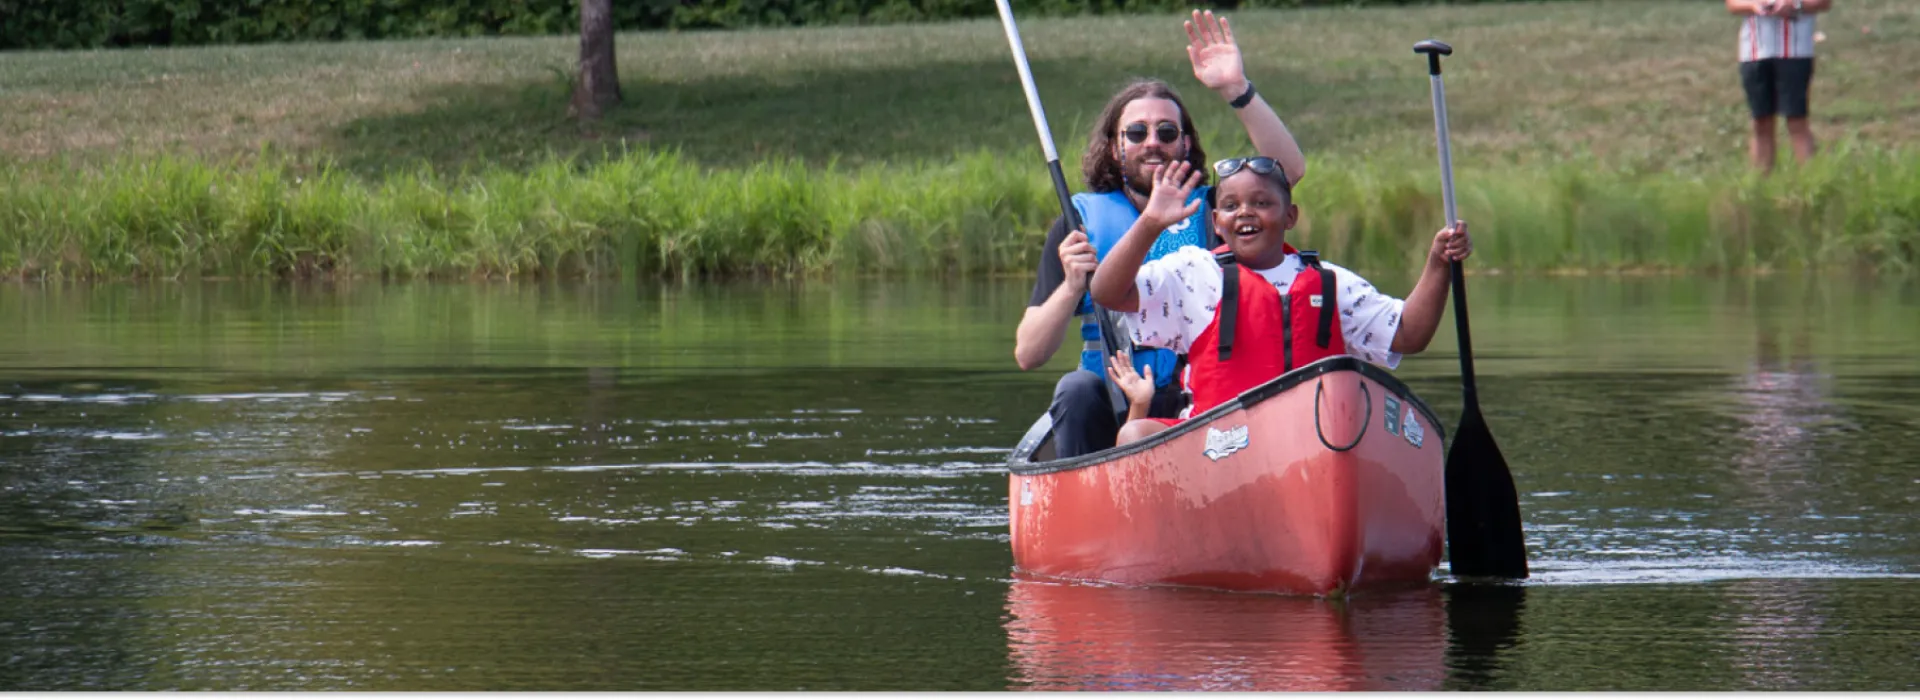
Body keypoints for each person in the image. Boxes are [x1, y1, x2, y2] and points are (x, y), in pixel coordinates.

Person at [1014, 9, 1308, 459]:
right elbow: (1029, 353)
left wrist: (1236, 89)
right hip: (1113, 403)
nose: (1153, 141)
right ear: (1116, 147)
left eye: (1167, 131)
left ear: (1185, 143)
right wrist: (1073, 284)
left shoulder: (1218, 210)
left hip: (1202, 399)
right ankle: (1088, 505)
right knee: (1074, 389)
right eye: (1137, 132)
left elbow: (1287, 172)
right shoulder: (1080, 223)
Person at [1089, 156, 1471, 444]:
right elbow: (1108, 293)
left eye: (1261, 203)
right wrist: (1151, 223)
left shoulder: (1329, 282)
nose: (1245, 213)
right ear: (1217, 222)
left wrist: (1439, 264)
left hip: (1315, 443)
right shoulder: (1193, 273)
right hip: (1216, 446)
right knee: (1134, 435)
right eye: (1232, 205)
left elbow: (1408, 333)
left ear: (1290, 216)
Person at [1727, 0, 1832, 172]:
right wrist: (1755, 6)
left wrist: (1795, 5)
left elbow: (1823, 3)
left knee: (1796, 120)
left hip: (1795, 51)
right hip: (1755, 52)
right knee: (1761, 121)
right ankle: (1760, 186)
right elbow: (1733, 4)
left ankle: (1812, 184)